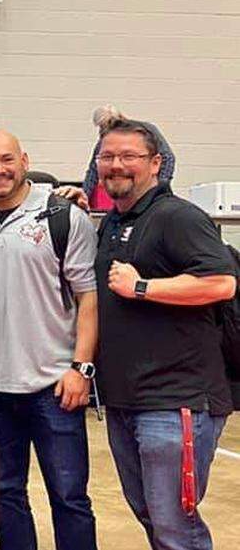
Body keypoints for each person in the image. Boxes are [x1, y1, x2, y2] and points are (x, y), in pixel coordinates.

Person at [0, 130, 99, 550]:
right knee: (5, 495)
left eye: (6, 159)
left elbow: (88, 298)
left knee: (69, 497)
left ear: (24, 160)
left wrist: (81, 368)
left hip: (54, 388)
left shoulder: (63, 218)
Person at [94, 118, 235, 550]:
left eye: (129, 156)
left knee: (175, 525)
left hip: (176, 402)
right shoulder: (115, 223)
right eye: (107, 156)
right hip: (126, 399)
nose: (116, 165)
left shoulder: (177, 217)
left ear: (156, 163)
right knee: (153, 518)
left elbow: (221, 282)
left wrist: (142, 287)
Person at [81, 104, 175, 211]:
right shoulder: (104, 141)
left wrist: (159, 186)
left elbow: (168, 158)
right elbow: (93, 171)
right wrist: (83, 197)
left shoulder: (146, 132)